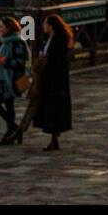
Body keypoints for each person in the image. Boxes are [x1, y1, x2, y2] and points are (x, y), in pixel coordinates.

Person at [35, 14, 73, 151]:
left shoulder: (58, 41)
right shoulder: (51, 39)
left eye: (45, 24)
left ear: (51, 25)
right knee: (51, 109)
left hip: (55, 80)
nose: (43, 26)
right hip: (50, 79)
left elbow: (58, 61)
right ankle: (53, 138)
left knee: (54, 109)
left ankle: (54, 138)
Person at [0, 16, 29, 145]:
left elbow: (20, 62)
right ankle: (14, 129)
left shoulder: (18, 42)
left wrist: (3, 60)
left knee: (7, 103)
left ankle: (11, 130)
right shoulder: (1, 41)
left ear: (9, 28)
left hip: (12, 78)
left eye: (2, 26)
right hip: (1, 78)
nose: (0, 29)